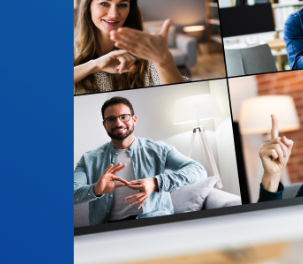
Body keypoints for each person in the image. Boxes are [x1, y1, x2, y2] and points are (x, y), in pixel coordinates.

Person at [74, 96, 207, 224]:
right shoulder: (88, 159)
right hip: (109, 230)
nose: (118, 123)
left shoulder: (160, 149)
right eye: (111, 119)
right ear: (104, 124)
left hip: (155, 224)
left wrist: (156, 182)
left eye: (124, 117)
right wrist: (96, 190)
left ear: (134, 119)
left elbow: (198, 170)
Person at [74, 0, 187, 94]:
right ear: (88, 7)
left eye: (122, 5)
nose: (113, 14)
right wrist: (95, 65)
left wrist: (164, 61)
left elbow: (180, 93)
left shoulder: (143, 52)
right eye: (104, 3)